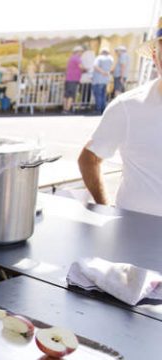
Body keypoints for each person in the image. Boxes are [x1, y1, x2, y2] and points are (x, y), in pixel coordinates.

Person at [77, 18, 162, 217]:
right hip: (134, 233)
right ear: (155, 55)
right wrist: (104, 208)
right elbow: (88, 159)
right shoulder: (127, 106)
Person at [91, 48, 113, 114]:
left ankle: (98, 109)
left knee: (98, 95)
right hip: (105, 80)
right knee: (103, 95)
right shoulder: (110, 59)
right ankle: (103, 109)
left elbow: (95, 66)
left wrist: (102, 72)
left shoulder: (99, 58)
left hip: (98, 79)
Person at [63, 45, 83, 113]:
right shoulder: (77, 58)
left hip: (68, 78)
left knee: (66, 95)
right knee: (71, 95)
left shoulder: (70, 58)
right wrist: (87, 70)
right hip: (73, 79)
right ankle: (67, 109)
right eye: (81, 52)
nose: (81, 53)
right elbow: (81, 67)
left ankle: (64, 109)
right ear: (78, 52)